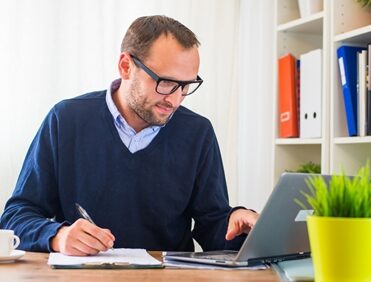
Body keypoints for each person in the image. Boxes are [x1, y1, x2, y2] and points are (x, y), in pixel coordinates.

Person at [0, 15, 258, 256]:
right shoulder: (66, 119)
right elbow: (16, 216)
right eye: (166, 82)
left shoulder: (198, 132)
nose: (175, 99)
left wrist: (236, 222)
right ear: (125, 66)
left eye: (186, 86)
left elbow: (212, 225)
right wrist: (58, 235)